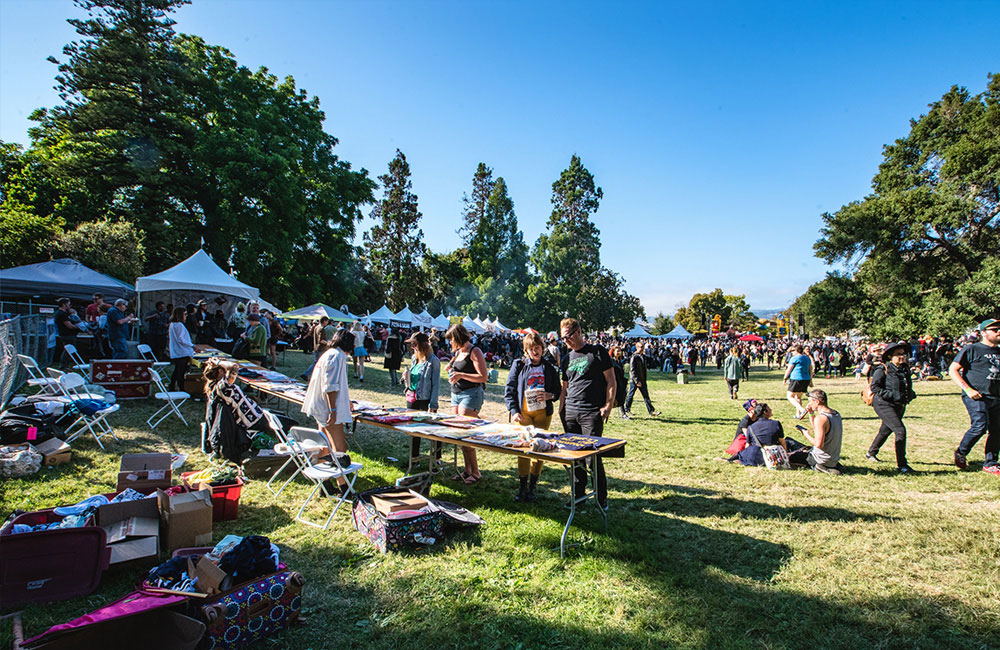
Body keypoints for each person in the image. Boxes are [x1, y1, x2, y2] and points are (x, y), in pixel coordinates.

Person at [559, 318, 614, 509]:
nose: (566, 340)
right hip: (571, 412)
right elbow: (564, 387)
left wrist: (608, 405)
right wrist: (561, 409)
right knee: (575, 457)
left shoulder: (597, 352)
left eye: (568, 336)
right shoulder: (566, 358)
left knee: (592, 458)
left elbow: (611, 381)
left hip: (591, 412)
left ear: (579, 332)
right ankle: (579, 498)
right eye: (563, 337)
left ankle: (601, 499)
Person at [202, 357, 296, 464]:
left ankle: (284, 451)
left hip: (255, 414)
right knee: (290, 424)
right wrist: (218, 362)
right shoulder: (222, 387)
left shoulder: (215, 387)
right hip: (254, 420)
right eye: (223, 368)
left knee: (280, 415)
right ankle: (288, 455)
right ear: (220, 371)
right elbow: (234, 367)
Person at [505, 332, 561, 502]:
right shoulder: (519, 365)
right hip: (523, 414)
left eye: (537, 348)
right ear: (526, 350)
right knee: (523, 448)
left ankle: (532, 487)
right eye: (531, 348)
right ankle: (522, 486)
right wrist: (514, 411)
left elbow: (558, 391)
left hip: (543, 414)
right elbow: (510, 390)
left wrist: (549, 395)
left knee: (539, 448)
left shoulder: (549, 368)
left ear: (542, 348)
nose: (535, 351)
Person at [301, 329, 356, 493]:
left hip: (323, 406)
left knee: (323, 446)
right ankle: (343, 486)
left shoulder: (329, 354)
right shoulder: (336, 356)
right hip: (327, 408)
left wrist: (346, 400)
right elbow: (329, 386)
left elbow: (335, 383)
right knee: (340, 448)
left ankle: (323, 484)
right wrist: (332, 409)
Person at [949, 318, 1000, 475]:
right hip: (977, 396)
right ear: (983, 333)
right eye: (995, 329)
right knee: (980, 425)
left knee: (997, 430)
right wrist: (968, 389)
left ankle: (990, 463)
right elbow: (953, 370)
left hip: (996, 397)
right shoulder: (972, 349)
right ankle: (961, 452)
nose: (999, 332)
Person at [446, 323, 489, 484]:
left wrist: (461, 374)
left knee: (467, 434)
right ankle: (466, 470)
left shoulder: (474, 351)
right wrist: (450, 369)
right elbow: (452, 367)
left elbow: (483, 377)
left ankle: (476, 471)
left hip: (471, 394)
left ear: (457, 338)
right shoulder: (458, 352)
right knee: (460, 435)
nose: (450, 343)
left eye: (451, 339)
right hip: (456, 394)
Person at [866, 341, 917, 473]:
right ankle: (902, 465)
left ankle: (871, 452)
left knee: (885, 430)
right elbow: (875, 387)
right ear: (890, 356)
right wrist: (892, 395)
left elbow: (907, 385)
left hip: (899, 405)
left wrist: (910, 394)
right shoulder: (883, 369)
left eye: (903, 354)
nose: (902, 356)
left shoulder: (904, 369)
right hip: (883, 404)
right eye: (898, 354)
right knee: (900, 431)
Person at [404, 331, 442, 466]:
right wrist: (406, 378)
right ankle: (414, 459)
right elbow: (413, 380)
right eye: (412, 344)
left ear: (423, 344)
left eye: (415, 344)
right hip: (412, 398)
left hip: (426, 400)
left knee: (433, 430)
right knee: (413, 430)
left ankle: (437, 459)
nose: (413, 347)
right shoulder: (414, 359)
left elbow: (435, 384)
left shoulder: (433, 361)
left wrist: (433, 404)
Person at [799, 389, 843, 474]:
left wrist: (806, 435)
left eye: (811, 402)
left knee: (790, 455)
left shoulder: (821, 418)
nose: (809, 404)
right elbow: (818, 429)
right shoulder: (835, 414)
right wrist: (811, 413)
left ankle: (821, 467)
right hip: (833, 459)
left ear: (817, 402)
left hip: (820, 459)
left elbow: (819, 445)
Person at [623, 342, 660, 418]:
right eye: (640, 347)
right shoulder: (634, 357)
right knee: (631, 395)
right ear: (637, 347)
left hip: (642, 379)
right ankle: (627, 409)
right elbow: (632, 370)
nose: (642, 348)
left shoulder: (643, 356)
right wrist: (637, 381)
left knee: (646, 396)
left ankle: (651, 411)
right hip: (634, 380)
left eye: (643, 347)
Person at [167, 306, 194, 392]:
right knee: (180, 371)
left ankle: (172, 386)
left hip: (177, 351)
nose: (186, 316)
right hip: (182, 351)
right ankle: (181, 388)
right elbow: (181, 339)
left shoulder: (172, 324)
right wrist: (192, 345)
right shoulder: (179, 325)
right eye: (184, 314)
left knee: (177, 370)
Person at [782, 344, 813, 418]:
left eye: (793, 351)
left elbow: (789, 369)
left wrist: (785, 378)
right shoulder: (807, 358)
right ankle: (798, 414)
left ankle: (802, 410)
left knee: (789, 396)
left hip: (796, 378)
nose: (792, 352)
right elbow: (810, 370)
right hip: (806, 379)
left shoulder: (794, 358)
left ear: (797, 351)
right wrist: (811, 380)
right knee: (798, 397)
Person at [53, 297, 82, 366]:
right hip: (67, 335)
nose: (69, 306)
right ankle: (63, 365)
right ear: (64, 304)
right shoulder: (62, 314)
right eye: (68, 304)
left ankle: (65, 364)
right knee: (68, 351)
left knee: (68, 350)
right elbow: (69, 325)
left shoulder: (61, 313)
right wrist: (78, 327)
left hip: (64, 334)